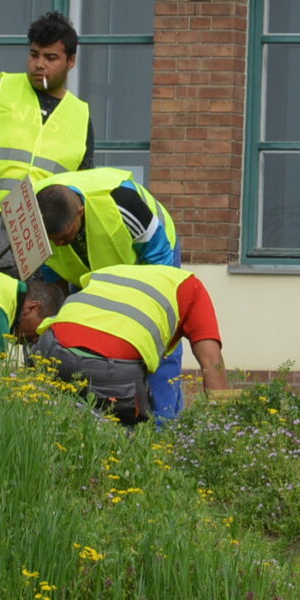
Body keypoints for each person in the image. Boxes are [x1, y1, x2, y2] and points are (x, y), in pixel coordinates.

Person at [33, 168, 189, 419]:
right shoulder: (36, 215)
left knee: (157, 337)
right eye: (54, 240)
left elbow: (160, 262)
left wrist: (146, 309)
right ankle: (95, 417)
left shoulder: (122, 202)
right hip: (88, 270)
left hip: (146, 259)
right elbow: (53, 276)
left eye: (64, 237)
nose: (59, 244)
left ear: (80, 212)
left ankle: (165, 422)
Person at [0, 10, 92, 243]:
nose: (39, 64)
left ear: (71, 61)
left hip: (44, 235)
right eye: (34, 54)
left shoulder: (81, 115)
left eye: (51, 58)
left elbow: (83, 185)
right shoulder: (0, 89)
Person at [33, 263, 232, 425]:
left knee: (49, 428)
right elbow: (212, 363)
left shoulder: (109, 272)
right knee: (128, 444)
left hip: (50, 349)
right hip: (114, 372)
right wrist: (221, 426)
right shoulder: (193, 288)